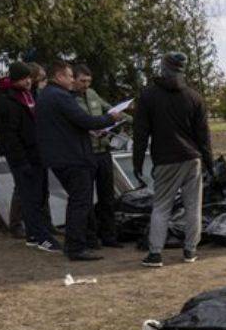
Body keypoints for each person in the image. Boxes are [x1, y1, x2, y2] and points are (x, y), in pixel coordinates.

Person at [133, 52, 214, 268]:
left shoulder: (148, 96)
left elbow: (140, 134)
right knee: (193, 206)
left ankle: (155, 254)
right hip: (192, 159)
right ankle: (190, 250)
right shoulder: (194, 97)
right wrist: (209, 163)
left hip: (166, 160)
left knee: (161, 207)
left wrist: (137, 164)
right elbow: (204, 135)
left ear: (163, 68)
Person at [36, 60, 123, 261]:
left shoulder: (46, 97)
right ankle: (76, 247)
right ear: (59, 77)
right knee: (80, 202)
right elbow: (85, 120)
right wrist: (112, 119)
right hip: (73, 158)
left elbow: (70, 125)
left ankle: (81, 243)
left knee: (79, 201)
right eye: (69, 76)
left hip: (60, 157)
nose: (72, 80)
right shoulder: (61, 96)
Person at [0, 61, 58, 252]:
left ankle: (34, 233)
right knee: (29, 198)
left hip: (37, 153)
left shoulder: (29, 96)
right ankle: (40, 236)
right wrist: (21, 160)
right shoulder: (7, 100)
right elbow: (10, 134)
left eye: (29, 78)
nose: (28, 81)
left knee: (38, 195)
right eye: (24, 78)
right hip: (23, 157)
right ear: (15, 79)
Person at [73, 64, 126, 247]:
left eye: (88, 81)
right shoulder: (67, 99)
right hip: (84, 154)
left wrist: (121, 116)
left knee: (107, 197)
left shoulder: (93, 94)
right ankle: (90, 238)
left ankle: (109, 236)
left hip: (103, 151)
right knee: (85, 199)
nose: (86, 84)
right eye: (82, 81)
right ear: (73, 79)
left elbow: (109, 110)